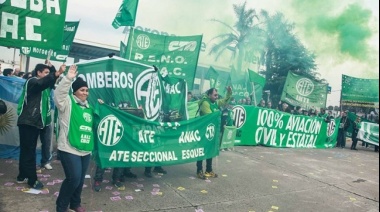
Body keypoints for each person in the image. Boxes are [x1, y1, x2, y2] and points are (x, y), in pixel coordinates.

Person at [16, 62, 64, 189]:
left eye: (49, 73)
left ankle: (22, 175)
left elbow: (50, 83)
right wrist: (55, 73)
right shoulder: (32, 81)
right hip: (29, 121)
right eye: (46, 73)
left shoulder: (45, 85)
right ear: (38, 73)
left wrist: (54, 70)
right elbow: (42, 83)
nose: (49, 76)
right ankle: (32, 180)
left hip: (37, 121)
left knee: (26, 150)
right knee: (29, 151)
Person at [54, 65, 94, 212]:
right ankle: (61, 206)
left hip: (85, 149)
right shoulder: (67, 103)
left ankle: (75, 204)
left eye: (87, 90)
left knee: (80, 180)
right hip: (68, 148)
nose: (85, 93)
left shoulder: (89, 106)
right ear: (75, 91)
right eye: (82, 90)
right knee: (73, 179)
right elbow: (59, 95)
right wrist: (68, 78)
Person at [196, 86, 232, 179]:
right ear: (209, 95)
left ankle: (208, 170)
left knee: (210, 151)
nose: (216, 97)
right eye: (215, 95)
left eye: (217, 95)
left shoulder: (215, 102)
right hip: (203, 132)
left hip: (211, 132)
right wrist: (219, 114)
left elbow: (224, 101)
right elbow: (210, 117)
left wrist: (229, 92)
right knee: (201, 152)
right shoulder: (205, 103)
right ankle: (199, 170)